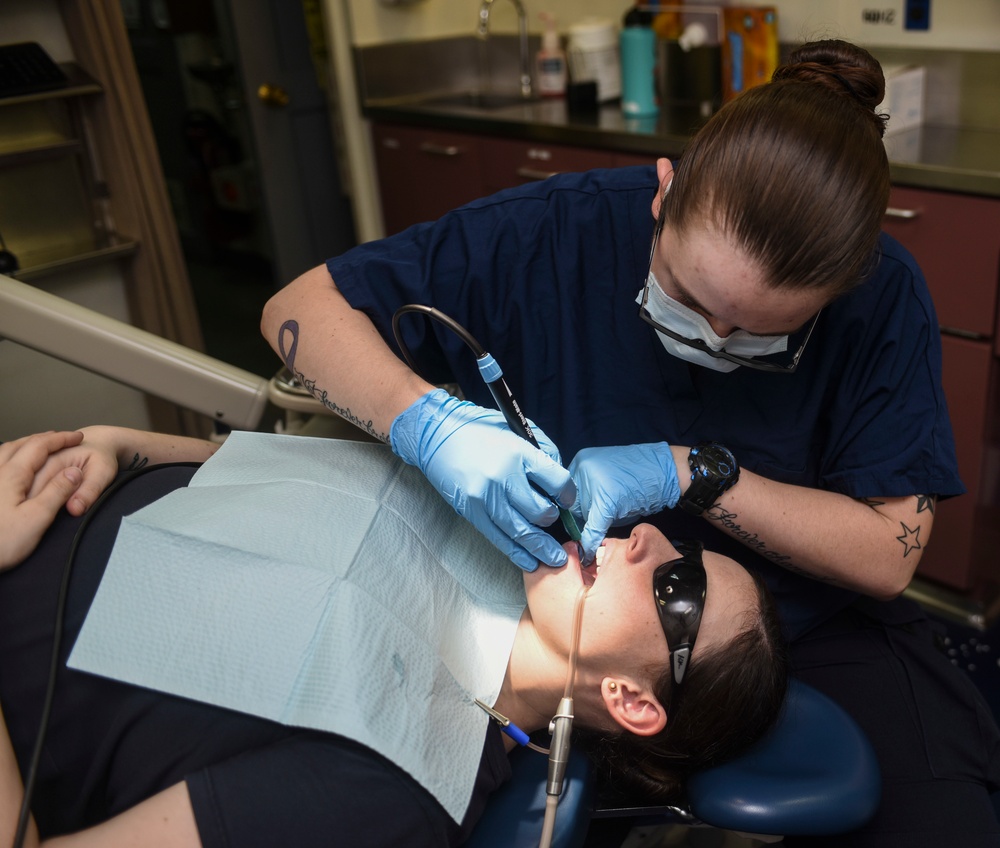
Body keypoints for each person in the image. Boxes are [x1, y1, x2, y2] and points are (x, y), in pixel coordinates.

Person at [261, 38, 1000, 846]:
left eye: (759, 333)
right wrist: (428, 422)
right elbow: (300, 308)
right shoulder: (551, 231)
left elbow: (889, 555)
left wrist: (696, 476)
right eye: (692, 299)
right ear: (663, 192)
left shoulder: (884, 295)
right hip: (546, 634)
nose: (716, 342)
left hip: (806, 630)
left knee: (940, 819)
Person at [0, 427, 786, 847]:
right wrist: (117, 447)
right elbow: (245, 470)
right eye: (681, 547)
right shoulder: (471, 536)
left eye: (677, 587)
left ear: (632, 701)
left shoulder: (397, 794)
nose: (648, 538)